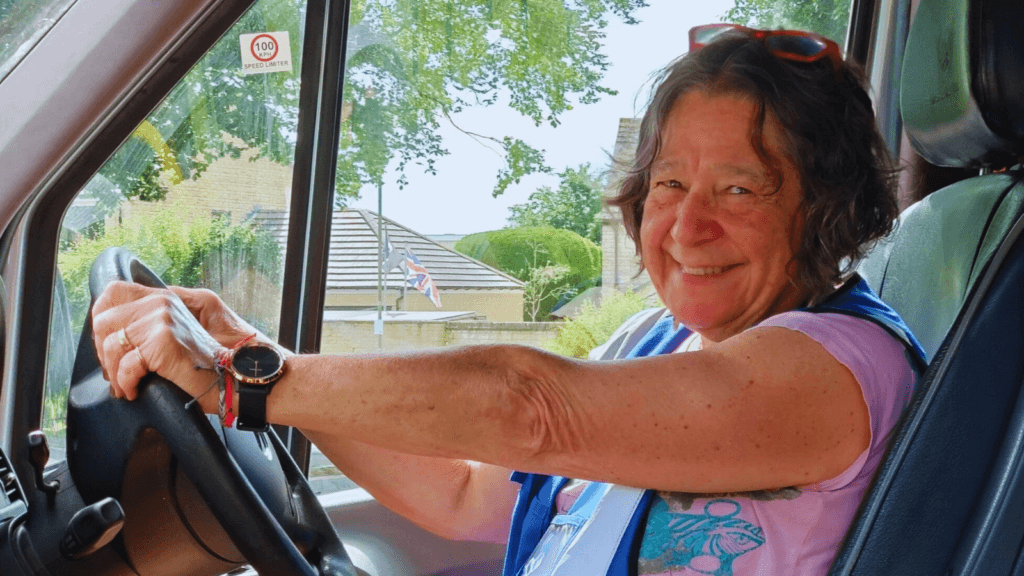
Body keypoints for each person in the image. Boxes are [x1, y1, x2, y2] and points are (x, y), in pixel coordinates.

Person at [92, 24, 927, 576]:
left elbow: (533, 410)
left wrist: (248, 378)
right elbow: (461, 494)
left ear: (827, 206)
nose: (686, 227)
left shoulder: (838, 368)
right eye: (669, 182)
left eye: (741, 188)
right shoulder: (655, 339)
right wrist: (250, 351)